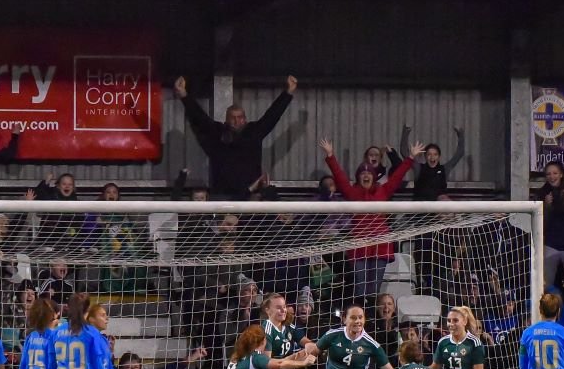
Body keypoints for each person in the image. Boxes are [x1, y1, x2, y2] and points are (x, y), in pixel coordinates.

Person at [320, 138, 423, 297]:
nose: (366, 175)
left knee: (374, 291)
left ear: (374, 177)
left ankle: (373, 321)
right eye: (363, 173)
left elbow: (397, 177)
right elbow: (339, 176)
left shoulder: (383, 190)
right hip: (359, 248)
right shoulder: (352, 192)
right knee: (360, 290)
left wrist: (410, 157)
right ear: (358, 177)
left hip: (380, 247)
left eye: (369, 173)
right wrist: (330, 155)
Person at [174, 75, 297, 199]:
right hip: (222, 196)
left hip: (250, 196)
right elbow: (199, 117)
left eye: (240, 117)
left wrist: (288, 92)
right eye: (233, 117)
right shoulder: (218, 132)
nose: (237, 121)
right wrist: (184, 95)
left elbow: (272, 116)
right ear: (226, 119)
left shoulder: (254, 132)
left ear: (245, 119)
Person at [400, 125, 466, 201]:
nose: (432, 157)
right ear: (425, 156)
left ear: (439, 156)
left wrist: (460, 135)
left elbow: (459, 153)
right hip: (420, 209)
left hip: (438, 210)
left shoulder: (444, 169)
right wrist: (406, 132)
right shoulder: (419, 168)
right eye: (429, 154)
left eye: (435, 154)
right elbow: (404, 152)